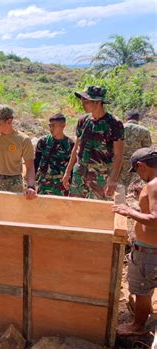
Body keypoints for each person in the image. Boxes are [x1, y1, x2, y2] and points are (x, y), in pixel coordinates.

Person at [112, 147, 157, 336]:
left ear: (141, 165)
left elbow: (155, 218)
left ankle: (137, 327)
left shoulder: (154, 185)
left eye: (137, 171)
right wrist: (142, 197)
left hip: (148, 253)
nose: (139, 175)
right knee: (146, 287)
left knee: (142, 290)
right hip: (151, 250)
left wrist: (129, 212)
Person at [62, 86, 124, 200]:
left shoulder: (114, 123)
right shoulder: (83, 121)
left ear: (98, 102)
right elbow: (76, 148)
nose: (83, 104)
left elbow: (118, 155)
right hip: (80, 171)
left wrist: (112, 179)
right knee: (75, 206)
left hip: (101, 174)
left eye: (86, 101)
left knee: (97, 210)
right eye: (82, 101)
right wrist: (68, 172)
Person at [34, 113, 74, 196]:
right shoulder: (43, 141)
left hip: (61, 184)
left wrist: (71, 183)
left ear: (63, 126)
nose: (51, 129)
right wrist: (32, 182)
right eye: (50, 126)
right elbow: (36, 161)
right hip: (44, 182)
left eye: (54, 126)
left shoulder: (70, 144)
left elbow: (72, 166)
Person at [119, 111, 153, 191]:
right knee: (134, 186)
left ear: (126, 118)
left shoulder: (119, 128)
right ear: (138, 119)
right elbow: (147, 149)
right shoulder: (144, 130)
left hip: (119, 161)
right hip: (136, 163)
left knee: (119, 185)